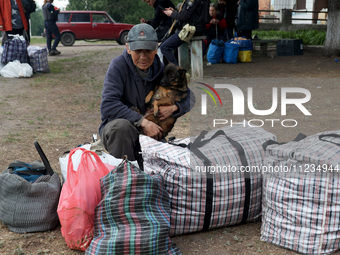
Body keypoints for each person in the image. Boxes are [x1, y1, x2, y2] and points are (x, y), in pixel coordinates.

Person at [99, 23, 195, 169]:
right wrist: (142, 121)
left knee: (161, 171)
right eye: (138, 51)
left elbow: (191, 96)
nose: (143, 57)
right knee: (121, 128)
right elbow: (108, 105)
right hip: (121, 131)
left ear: (156, 49)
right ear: (128, 48)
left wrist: (175, 108)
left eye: (148, 50)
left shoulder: (162, 69)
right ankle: (123, 177)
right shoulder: (118, 66)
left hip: (150, 133)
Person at [160, 0, 206, 65]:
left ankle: (176, 70)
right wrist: (174, 12)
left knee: (164, 47)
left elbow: (184, 17)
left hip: (190, 29)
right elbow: (190, 14)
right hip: (193, 28)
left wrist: (171, 14)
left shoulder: (191, 0)